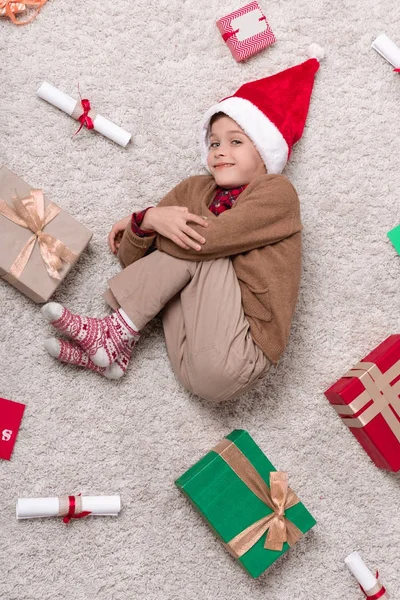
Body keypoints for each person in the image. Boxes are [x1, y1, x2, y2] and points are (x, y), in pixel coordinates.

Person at [41, 46, 323, 402]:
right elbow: (136, 263)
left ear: (266, 153)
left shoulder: (276, 193)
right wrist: (147, 222)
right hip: (191, 355)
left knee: (203, 243)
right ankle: (117, 345)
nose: (220, 150)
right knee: (188, 244)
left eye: (236, 142)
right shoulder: (194, 189)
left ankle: (114, 332)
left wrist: (141, 219)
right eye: (214, 142)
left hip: (241, 353)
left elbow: (208, 240)